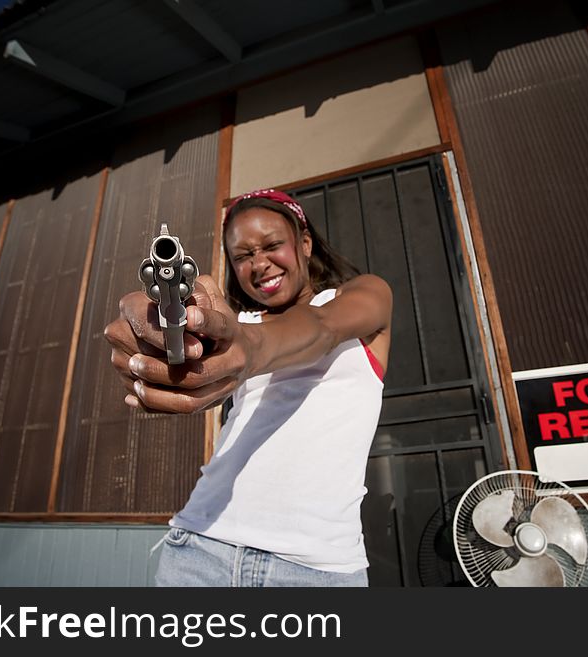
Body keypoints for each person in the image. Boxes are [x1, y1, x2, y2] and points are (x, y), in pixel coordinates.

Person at [104, 188, 392, 586]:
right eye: (243, 256)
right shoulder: (241, 324)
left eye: (272, 245)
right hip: (201, 550)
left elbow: (322, 328)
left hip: (315, 570)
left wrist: (250, 350)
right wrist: (154, 346)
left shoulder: (363, 295)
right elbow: (202, 360)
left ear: (304, 243)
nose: (259, 264)